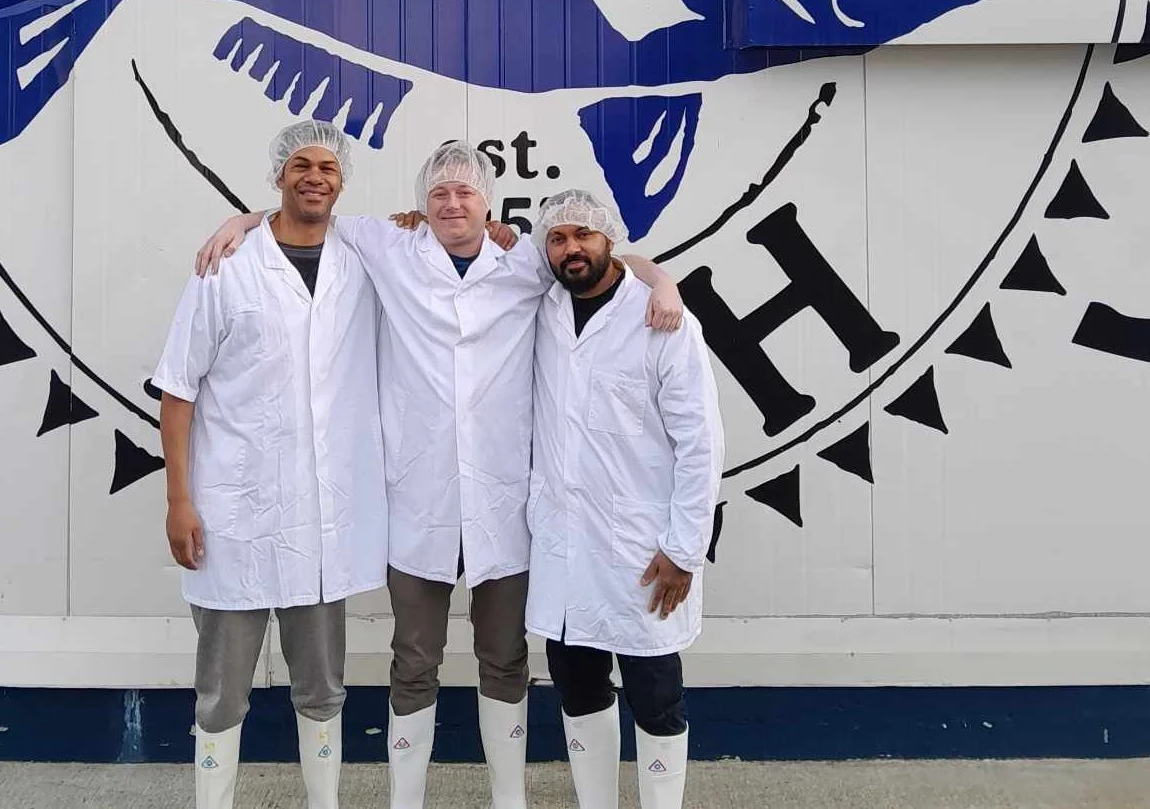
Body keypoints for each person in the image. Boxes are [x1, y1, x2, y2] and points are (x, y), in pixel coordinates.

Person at [195, 142, 684, 809]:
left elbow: (601, 261)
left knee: (505, 661)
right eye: (439, 195)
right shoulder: (391, 248)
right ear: (422, 206)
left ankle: (507, 800)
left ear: (488, 202)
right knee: (414, 661)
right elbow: (309, 213)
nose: (452, 204)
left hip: (502, 506)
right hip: (418, 504)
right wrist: (242, 221)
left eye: (466, 194)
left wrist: (663, 282)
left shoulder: (524, 260)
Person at [154, 121, 385, 809]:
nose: (315, 177)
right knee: (224, 687)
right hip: (234, 513)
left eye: (328, 168)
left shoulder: (365, 258)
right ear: (277, 174)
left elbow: (449, 234)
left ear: (342, 180)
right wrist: (178, 500)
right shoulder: (228, 265)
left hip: (321, 521)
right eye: (301, 165)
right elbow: (178, 388)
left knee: (322, 686)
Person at [527, 189, 724, 809]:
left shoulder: (662, 320)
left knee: (657, 697)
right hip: (564, 548)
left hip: (645, 548)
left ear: (609, 239)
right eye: (557, 239)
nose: (571, 249)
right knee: (578, 688)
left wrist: (684, 550)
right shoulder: (542, 310)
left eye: (583, 235)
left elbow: (701, 444)